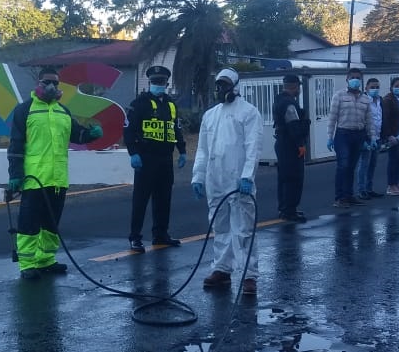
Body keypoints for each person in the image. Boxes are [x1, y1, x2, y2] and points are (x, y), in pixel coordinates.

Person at [7, 68, 103, 279]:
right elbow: (15, 145)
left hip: (58, 179)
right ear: (38, 84)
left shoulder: (63, 112)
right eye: (47, 82)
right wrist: (15, 174)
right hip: (33, 179)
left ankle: (46, 260)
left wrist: (91, 134)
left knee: (51, 224)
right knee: (29, 223)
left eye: (56, 83)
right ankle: (27, 265)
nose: (52, 87)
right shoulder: (25, 110)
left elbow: (77, 135)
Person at [192, 68, 263, 296]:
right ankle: (222, 270)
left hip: (238, 181)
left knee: (243, 230)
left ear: (235, 87)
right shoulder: (210, 115)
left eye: (225, 85)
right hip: (216, 181)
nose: (221, 89)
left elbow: (254, 147)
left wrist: (247, 176)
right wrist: (198, 176)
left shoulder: (249, 113)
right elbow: (202, 150)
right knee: (220, 227)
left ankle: (248, 275)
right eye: (218, 85)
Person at [124, 65, 188, 252]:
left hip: (165, 158)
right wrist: (133, 153)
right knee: (141, 200)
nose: (158, 85)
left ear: (166, 83)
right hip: (146, 158)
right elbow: (128, 130)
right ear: (150, 82)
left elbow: (176, 129)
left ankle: (161, 234)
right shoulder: (139, 103)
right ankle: (135, 237)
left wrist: (182, 151)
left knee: (163, 199)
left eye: (161, 82)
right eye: (155, 82)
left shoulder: (171, 105)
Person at [326, 67, 377, 208]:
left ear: (361, 80)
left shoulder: (366, 99)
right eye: (352, 77)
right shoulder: (339, 96)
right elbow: (332, 118)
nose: (355, 80)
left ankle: (349, 195)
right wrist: (330, 136)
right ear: (347, 80)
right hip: (343, 134)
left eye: (358, 78)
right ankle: (340, 197)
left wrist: (372, 137)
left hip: (359, 135)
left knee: (352, 166)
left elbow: (369, 120)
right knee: (343, 165)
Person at [273, 73, 310, 222]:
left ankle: (285, 208)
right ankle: (290, 211)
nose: (299, 90)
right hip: (290, 144)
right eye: (298, 87)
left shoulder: (279, 100)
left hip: (282, 143)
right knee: (293, 178)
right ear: (295, 87)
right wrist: (300, 144)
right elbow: (293, 126)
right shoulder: (289, 104)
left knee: (284, 178)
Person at [355, 77, 385, 200]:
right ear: (366, 88)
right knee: (364, 164)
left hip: (377, 136)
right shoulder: (363, 101)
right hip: (367, 137)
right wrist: (363, 139)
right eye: (372, 87)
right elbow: (360, 120)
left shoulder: (380, 100)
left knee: (373, 164)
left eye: (377, 87)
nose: (375, 89)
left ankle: (369, 188)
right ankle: (361, 190)